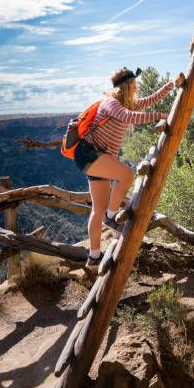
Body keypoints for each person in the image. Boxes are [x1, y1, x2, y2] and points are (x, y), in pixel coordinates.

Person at [74, 67, 174, 268]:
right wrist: (163, 115)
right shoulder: (111, 104)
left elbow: (148, 101)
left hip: (95, 157)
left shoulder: (123, 104)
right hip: (89, 154)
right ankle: (111, 217)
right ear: (128, 85)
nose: (137, 87)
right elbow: (130, 117)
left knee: (97, 210)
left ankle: (94, 257)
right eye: (134, 84)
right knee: (127, 175)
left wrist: (169, 87)